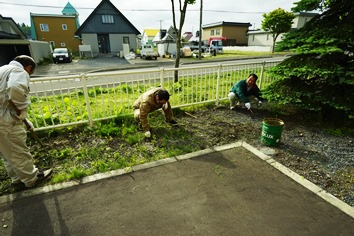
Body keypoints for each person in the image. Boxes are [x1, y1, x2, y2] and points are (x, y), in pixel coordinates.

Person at [0, 55, 52, 188]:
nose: (28, 75)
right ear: (28, 68)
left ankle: (17, 178)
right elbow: (15, 88)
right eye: (30, 72)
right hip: (5, 121)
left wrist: (21, 116)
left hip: (3, 116)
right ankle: (31, 179)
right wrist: (20, 112)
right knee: (18, 151)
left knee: (6, 151)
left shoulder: (3, 70)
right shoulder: (19, 71)